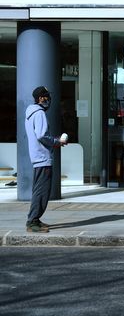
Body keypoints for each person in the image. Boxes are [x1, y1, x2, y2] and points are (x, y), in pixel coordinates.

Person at [24, 86, 67, 233]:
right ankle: (32, 222)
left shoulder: (31, 113)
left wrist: (53, 140)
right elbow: (42, 135)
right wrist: (57, 142)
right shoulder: (39, 113)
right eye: (47, 96)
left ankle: (35, 219)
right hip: (42, 157)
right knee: (42, 191)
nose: (49, 99)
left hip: (37, 156)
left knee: (39, 190)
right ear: (41, 98)